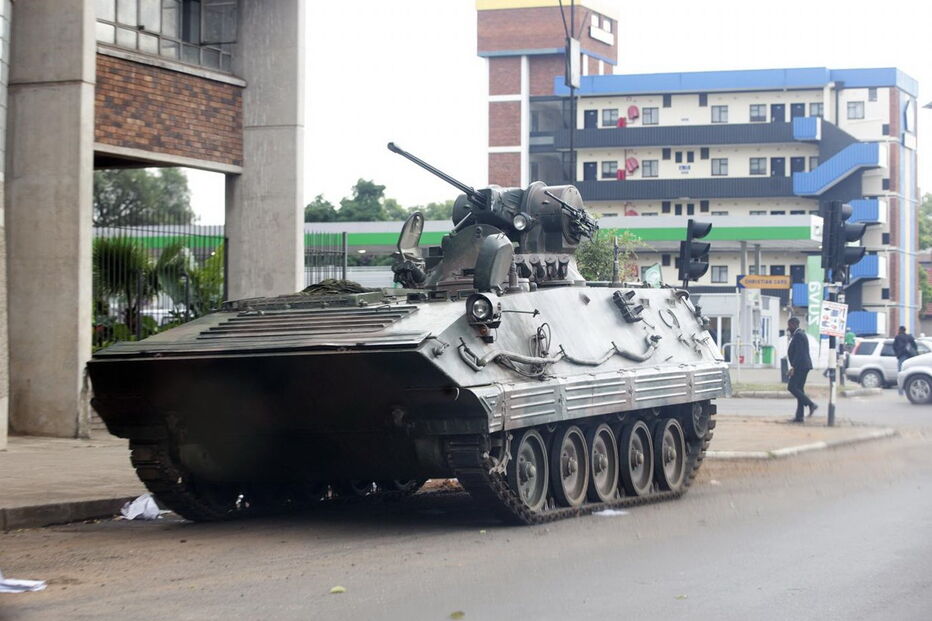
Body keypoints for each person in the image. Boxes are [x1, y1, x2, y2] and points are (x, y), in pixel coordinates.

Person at [786, 317, 818, 422]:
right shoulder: (799, 334)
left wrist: (793, 367)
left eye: (789, 325)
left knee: (791, 387)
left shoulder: (799, 335)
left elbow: (799, 353)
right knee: (799, 390)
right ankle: (799, 416)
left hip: (800, 366)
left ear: (794, 324)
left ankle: (811, 404)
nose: (788, 328)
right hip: (803, 366)